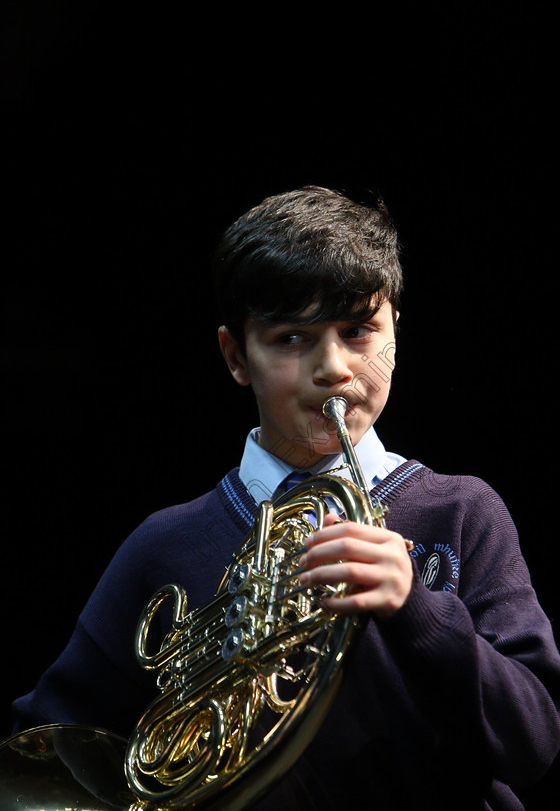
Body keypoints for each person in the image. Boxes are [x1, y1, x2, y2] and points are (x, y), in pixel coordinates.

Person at [9, 186, 560, 809]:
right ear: (236, 356)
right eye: (292, 339)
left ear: (396, 334)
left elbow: (533, 744)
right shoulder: (164, 545)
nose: (334, 368)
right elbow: (52, 747)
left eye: (358, 330)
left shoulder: (462, 512)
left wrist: (417, 611)